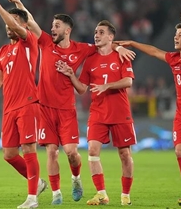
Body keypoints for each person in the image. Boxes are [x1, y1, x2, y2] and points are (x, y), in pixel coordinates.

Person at [8, 0, 135, 205]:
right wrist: (18, 3)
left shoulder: (81, 49)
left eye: (56, 26)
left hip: (66, 109)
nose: (52, 29)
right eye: (52, 25)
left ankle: (76, 178)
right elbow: (30, 21)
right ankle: (56, 194)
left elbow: (104, 45)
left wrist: (118, 47)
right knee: (51, 152)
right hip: (45, 108)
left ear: (67, 30)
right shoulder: (46, 42)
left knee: (71, 153)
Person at [116, 12, 181, 207]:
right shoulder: (173, 59)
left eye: (180, 35)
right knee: (180, 151)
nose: (175, 37)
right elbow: (154, 51)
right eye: (175, 35)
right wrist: (132, 43)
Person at [0, 0, 46, 208]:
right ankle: (38, 183)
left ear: (24, 25)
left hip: (28, 103)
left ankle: (32, 199)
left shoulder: (29, 41)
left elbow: (16, 23)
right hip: (9, 108)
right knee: (9, 154)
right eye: (8, 22)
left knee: (28, 149)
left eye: (13, 21)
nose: (8, 26)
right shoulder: (3, 51)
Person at [56, 20, 136, 206]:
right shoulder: (90, 59)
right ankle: (101, 194)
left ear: (111, 36)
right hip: (98, 112)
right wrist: (71, 75)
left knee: (124, 154)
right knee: (92, 151)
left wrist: (108, 85)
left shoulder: (121, 56)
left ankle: (125, 195)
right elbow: (83, 89)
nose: (96, 35)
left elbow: (128, 81)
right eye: (95, 32)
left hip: (120, 112)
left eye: (101, 32)